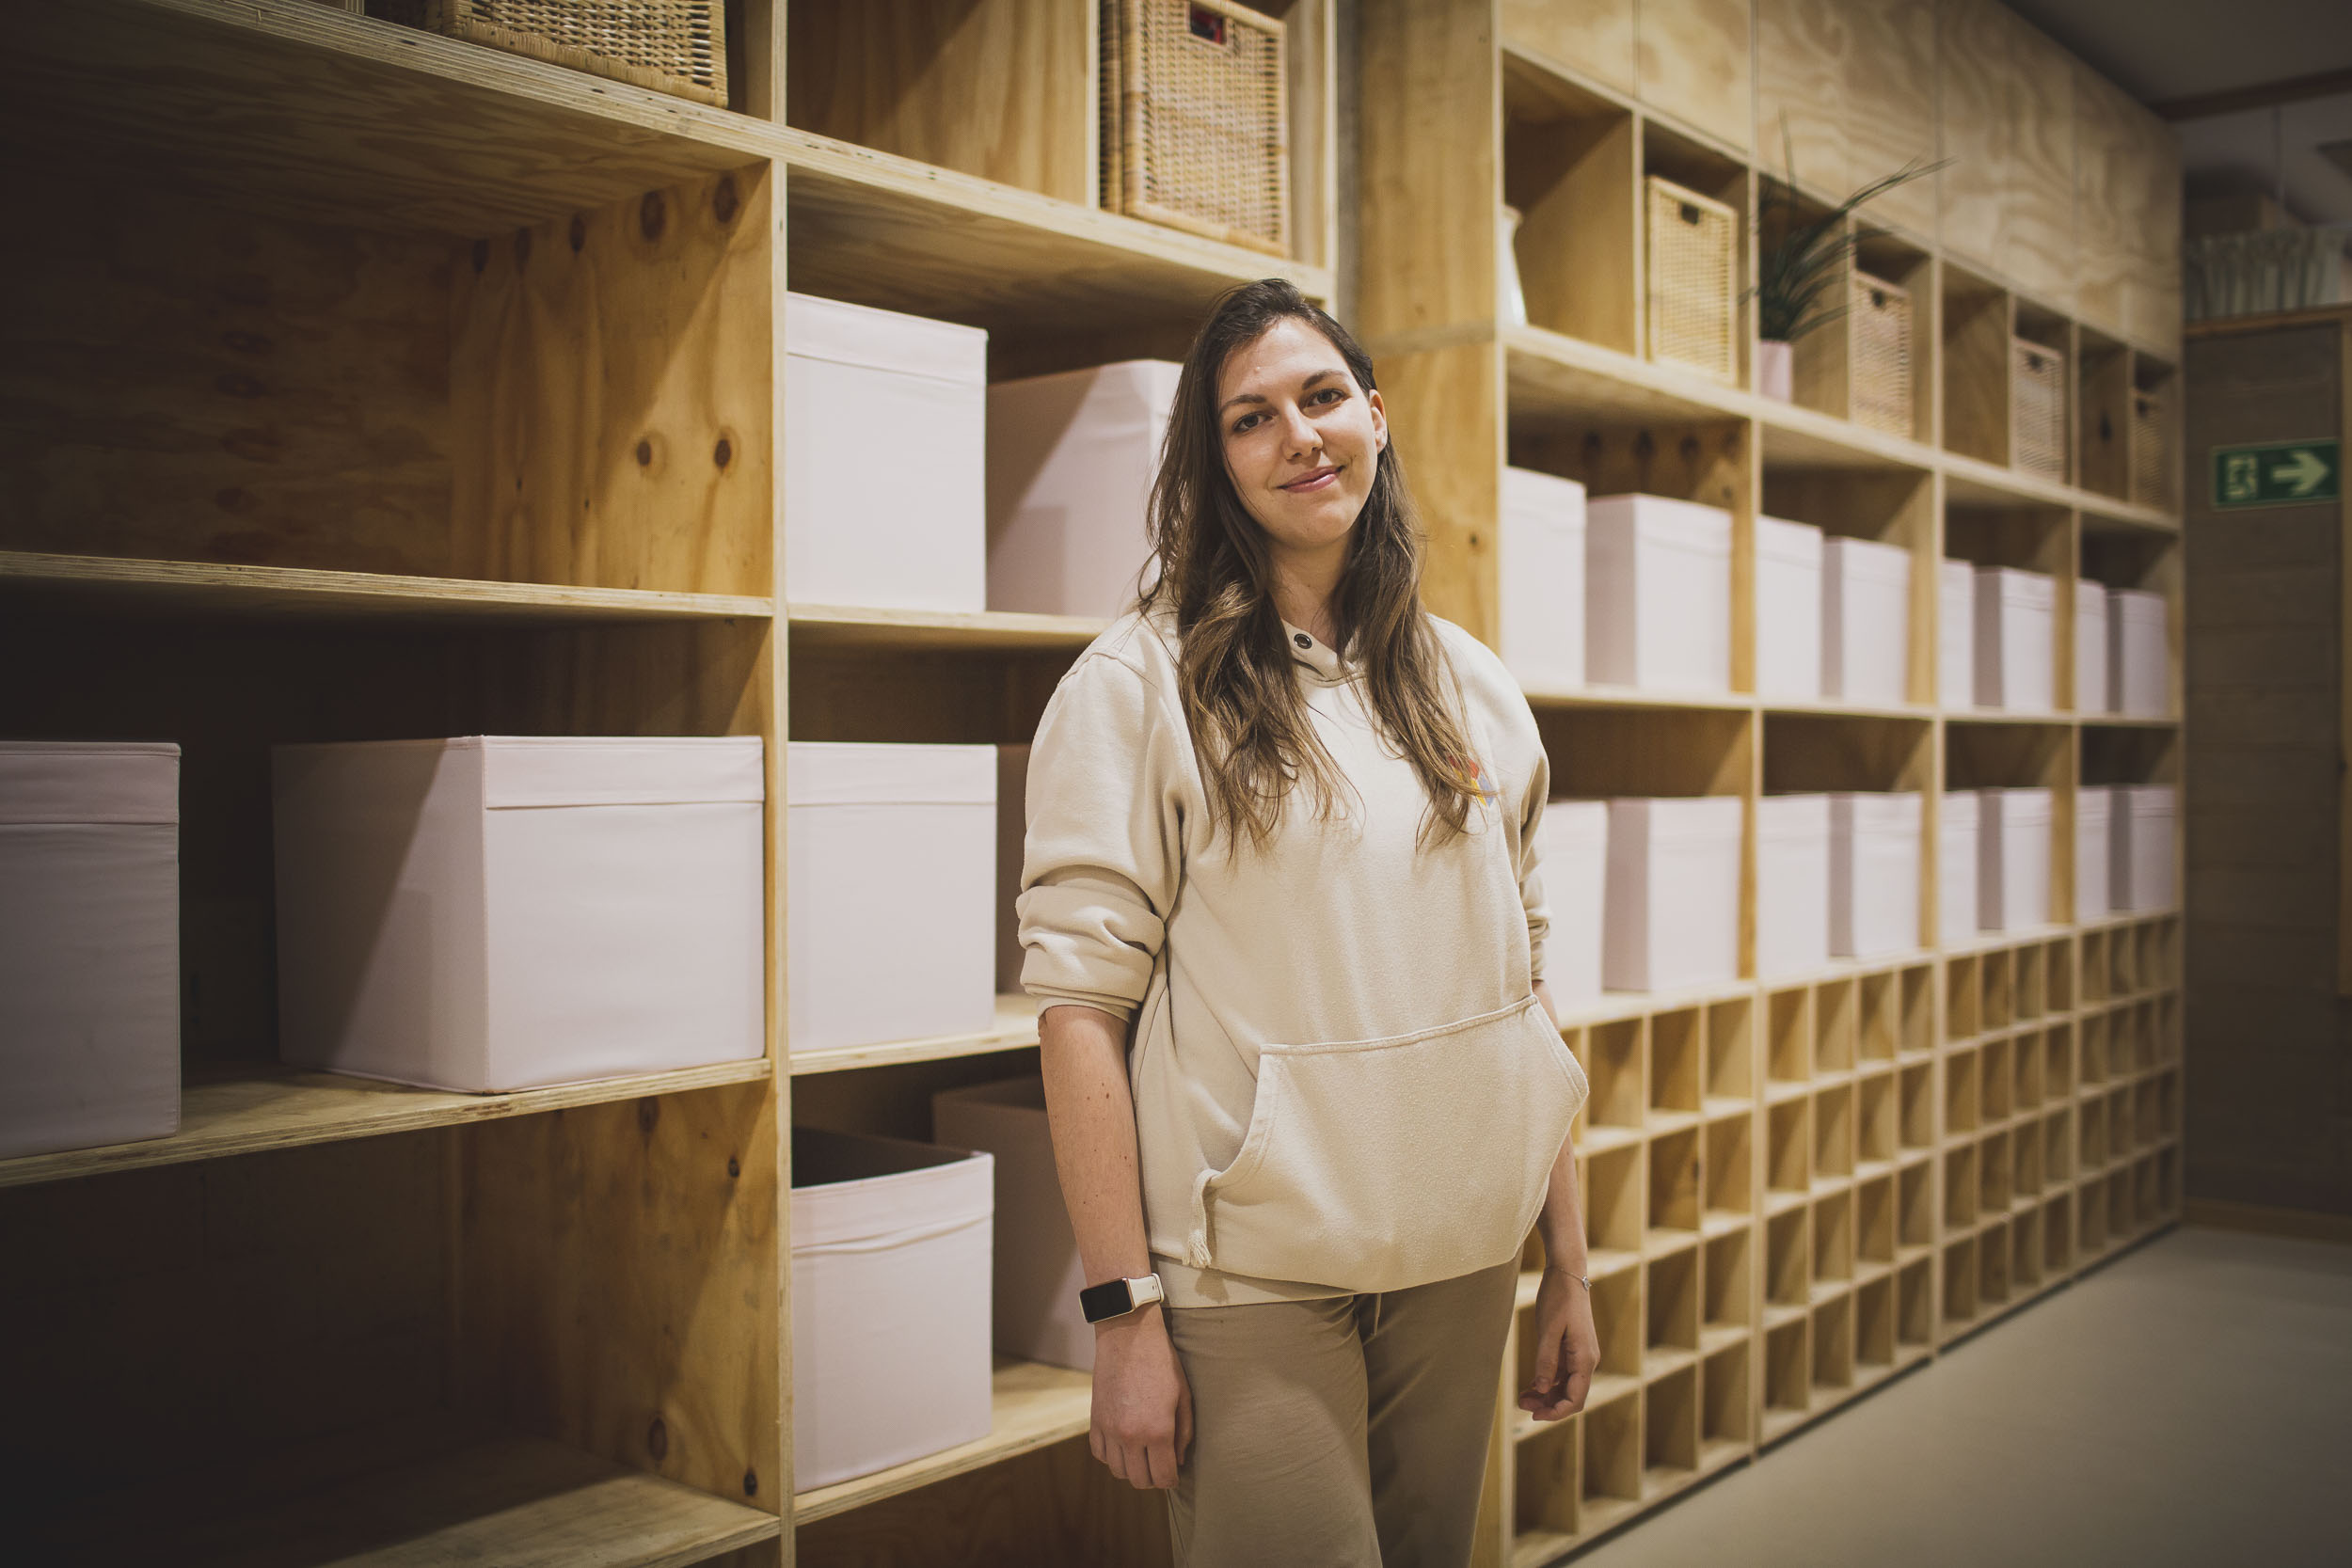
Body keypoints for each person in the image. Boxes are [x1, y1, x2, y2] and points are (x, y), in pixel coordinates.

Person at [1014, 277, 1598, 1568]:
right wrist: (1122, 1314)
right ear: (1215, 461)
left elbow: (1522, 990)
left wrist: (1566, 1257)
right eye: (1252, 418)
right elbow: (1078, 1011)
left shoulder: (1471, 684)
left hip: (1461, 1255)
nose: (1299, 436)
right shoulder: (1137, 686)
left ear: (1375, 416)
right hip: (1252, 1276)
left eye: (1323, 397)